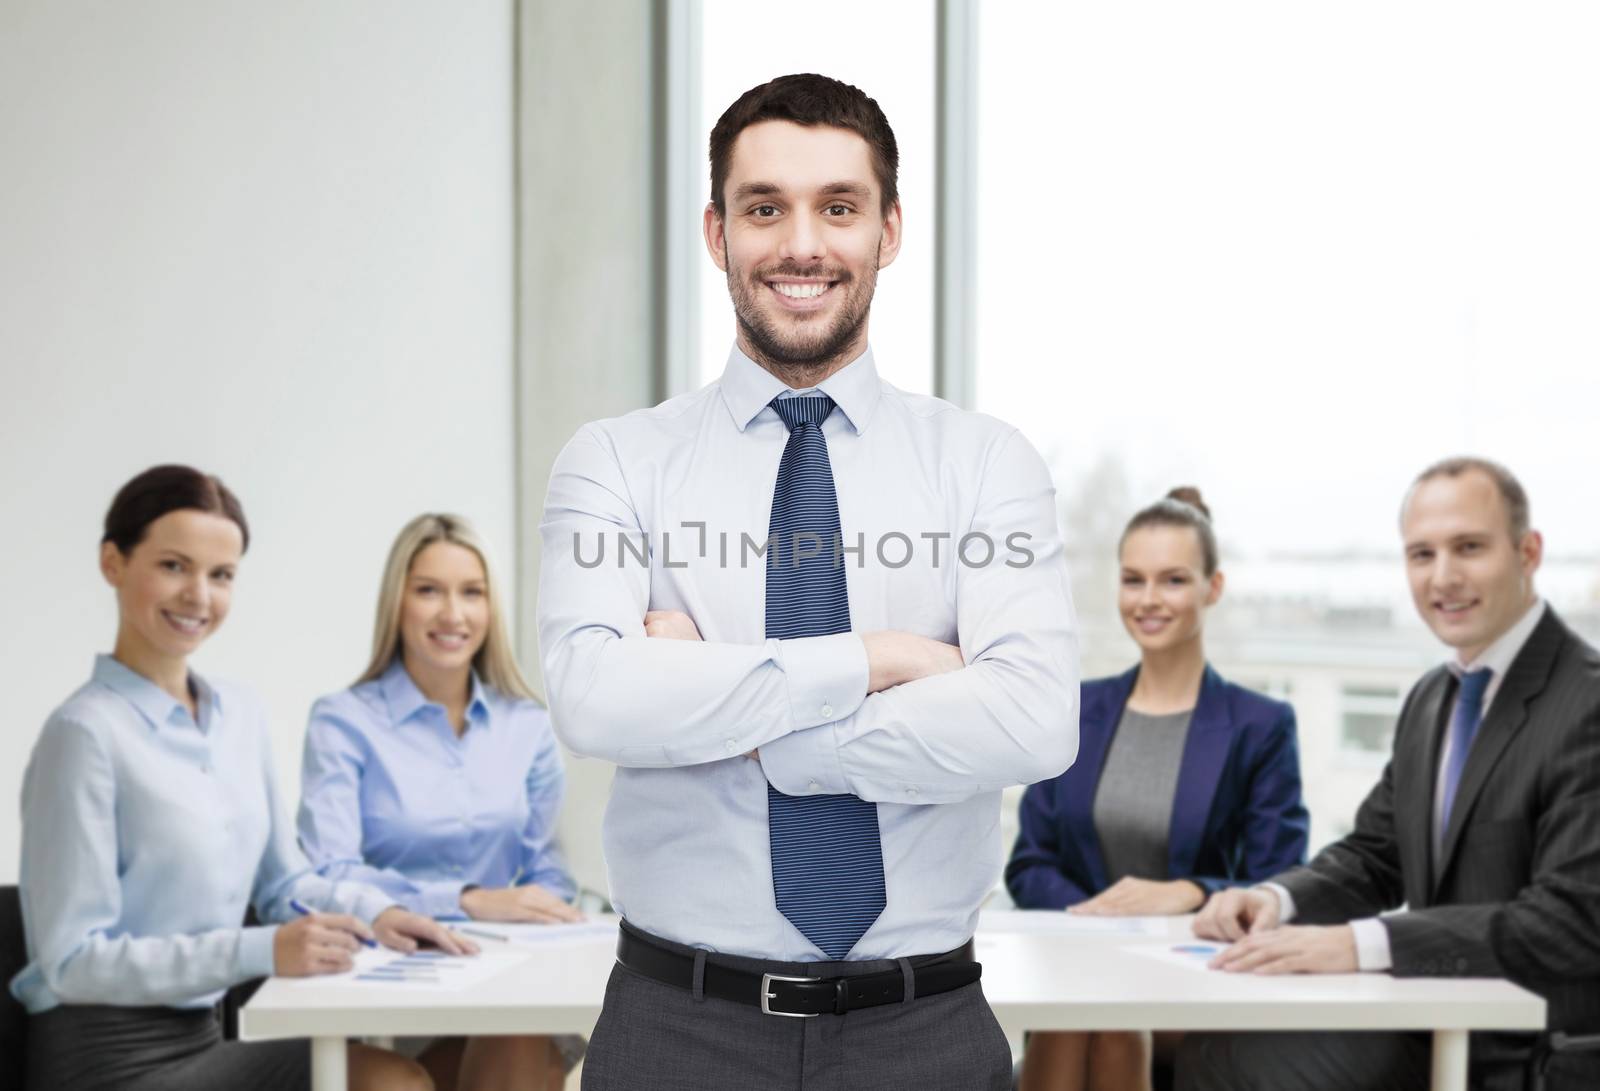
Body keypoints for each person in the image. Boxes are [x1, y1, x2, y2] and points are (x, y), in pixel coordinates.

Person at [536, 73, 1079, 1089]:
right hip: (676, 1031)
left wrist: (743, 710)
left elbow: (1035, 719)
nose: (801, 245)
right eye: (763, 208)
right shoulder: (614, 462)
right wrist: (880, 661)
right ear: (716, 231)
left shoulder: (984, 465)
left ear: (889, 229)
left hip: (923, 1030)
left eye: (838, 206)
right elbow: (593, 697)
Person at [9, 464, 472, 1091]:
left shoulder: (238, 716)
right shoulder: (84, 734)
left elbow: (286, 882)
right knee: (391, 1084)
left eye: (220, 575)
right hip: (108, 1061)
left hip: (211, 1036)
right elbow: (70, 961)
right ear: (113, 563)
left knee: (438, 1069)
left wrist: (378, 913)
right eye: (174, 566)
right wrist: (262, 950)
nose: (198, 596)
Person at [1180, 457, 1600, 1091]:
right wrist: (1275, 900)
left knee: (1234, 1062)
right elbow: (1376, 854)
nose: (1444, 577)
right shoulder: (1433, 698)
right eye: (1421, 554)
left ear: (1529, 551)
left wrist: (1361, 945)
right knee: (1208, 1042)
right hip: (1436, 1021)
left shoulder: (1586, 703)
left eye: (1469, 548)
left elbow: (1571, 921)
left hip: (1535, 1055)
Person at [1007, 488, 1309, 1091]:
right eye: (1133, 579)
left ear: (1212, 587)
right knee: (1084, 1015)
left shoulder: (1260, 725)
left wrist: (1188, 892)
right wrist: (1098, 924)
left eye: (1172, 580)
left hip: (1194, 976)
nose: (1148, 600)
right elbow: (1029, 864)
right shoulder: (1077, 709)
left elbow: (1282, 878)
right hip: (1081, 969)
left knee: (1111, 1018)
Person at [298, 513, 583, 1091]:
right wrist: (467, 901)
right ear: (396, 603)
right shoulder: (343, 722)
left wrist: (531, 909)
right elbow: (327, 874)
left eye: (471, 593)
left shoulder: (527, 727)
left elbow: (550, 873)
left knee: (525, 1039)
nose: (453, 614)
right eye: (429, 590)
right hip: (380, 986)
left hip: (499, 979)